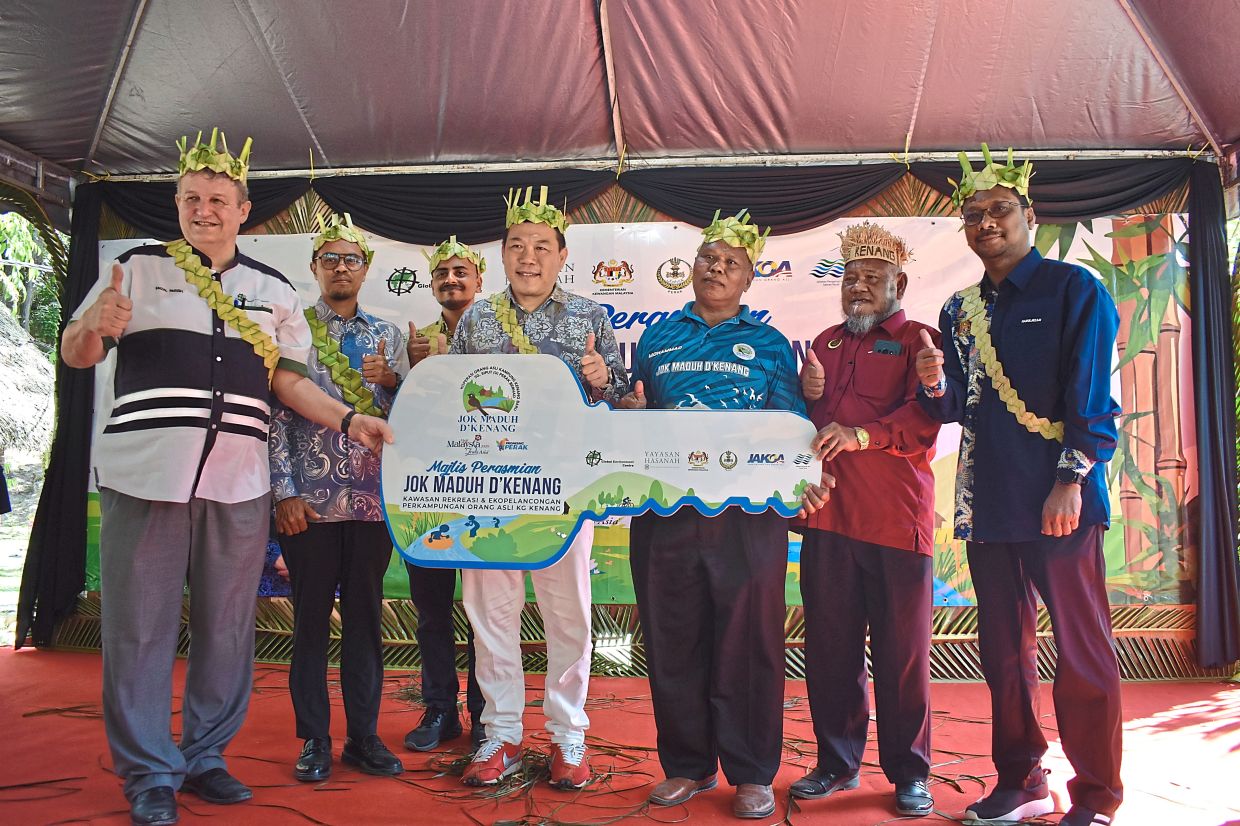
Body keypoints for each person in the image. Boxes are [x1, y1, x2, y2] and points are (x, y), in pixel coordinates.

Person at [59, 130, 393, 826]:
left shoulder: (271, 291)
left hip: (238, 482)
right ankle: (150, 772)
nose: (204, 210)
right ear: (177, 204)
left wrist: (349, 421)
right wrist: (96, 322)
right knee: (139, 629)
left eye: (218, 199)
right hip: (145, 475)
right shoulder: (136, 269)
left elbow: (288, 383)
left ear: (244, 212)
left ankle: (206, 756)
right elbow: (77, 351)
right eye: (191, 198)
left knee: (226, 628)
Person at [915, 145, 1123, 826]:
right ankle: (1022, 779)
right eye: (973, 215)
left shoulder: (1074, 290)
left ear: (1029, 215)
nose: (986, 222)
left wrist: (1068, 482)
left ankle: (1095, 796)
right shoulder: (958, 309)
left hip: (1061, 501)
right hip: (988, 505)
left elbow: (1092, 399)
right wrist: (933, 382)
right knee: (1004, 654)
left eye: (999, 209)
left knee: (1082, 648)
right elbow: (953, 413)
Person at [616, 210, 828, 820]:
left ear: (748, 279)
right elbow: (636, 410)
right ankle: (686, 766)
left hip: (748, 515)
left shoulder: (767, 344)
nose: (718, 268)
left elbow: (791, 427)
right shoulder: (657, 337)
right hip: (664, 508)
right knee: (672, 636)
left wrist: (803, 483)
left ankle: (754, 772)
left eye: (732, 263)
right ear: (693, 267)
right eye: (710, 258)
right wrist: (628, 408)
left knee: (750, 640)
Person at [450, 186, 629, 789]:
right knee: (489, 614)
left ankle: (568, 738)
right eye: (517, 247)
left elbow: (621, 397)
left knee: (568, 616)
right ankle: (498, 735)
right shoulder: (475, 317)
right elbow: (455, 401)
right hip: (486, 493)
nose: (529, 258)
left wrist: (604, 377)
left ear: (561, 256)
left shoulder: (589, 317)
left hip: (564, 494)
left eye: (542, 248)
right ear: (501, 255)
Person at [789, 222, 940, 817]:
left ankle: (910, 773)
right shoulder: (823, 344)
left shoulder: (919, 342)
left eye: (871, 279)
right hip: (827, 522)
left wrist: (862, 434)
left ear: (897, 283)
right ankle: (836, 763)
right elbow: (807, 434)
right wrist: (807, 399)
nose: (857, 288)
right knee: (830, 649)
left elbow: (924, 421)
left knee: (903, 656)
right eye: (849, 278)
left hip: (897, 524)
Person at [269, 215, 406, 782]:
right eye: (331, 259)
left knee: (366, 623)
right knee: (308, 625)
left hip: (372, 506)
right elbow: (275, 411)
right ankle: (314, 740)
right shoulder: (293, 330)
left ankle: (365, 738)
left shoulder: (390, 337)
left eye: (352, 259)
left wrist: (394, 384)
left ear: (366, 268)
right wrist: (284, 492)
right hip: (311, 505)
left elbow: (409, 423)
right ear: (315, 268)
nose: (341, 267)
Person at [402, 236, 486, 753]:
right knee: (432, 609)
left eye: (461, 272)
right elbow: (391, 415)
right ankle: (439, 709)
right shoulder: (409, 341)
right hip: (429, 494)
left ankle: (484, 713)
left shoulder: (500, 338)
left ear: (479, 281)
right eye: (442, 274)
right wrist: (402, 376)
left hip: (487, 497)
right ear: (432, 285)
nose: (451, 280)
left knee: (483, 610)